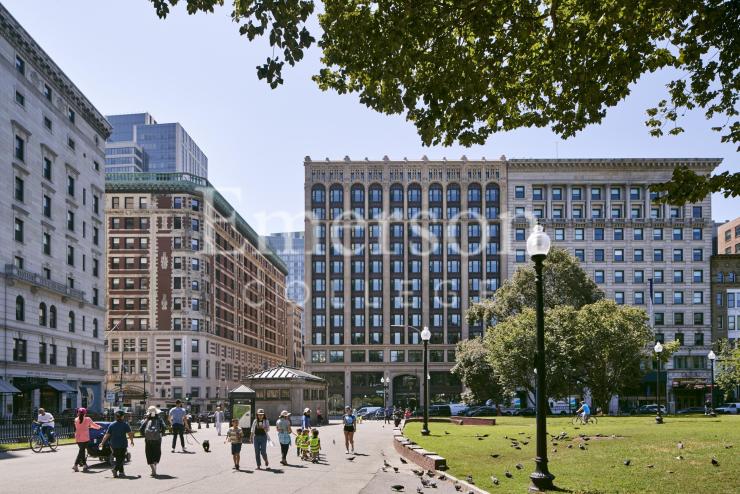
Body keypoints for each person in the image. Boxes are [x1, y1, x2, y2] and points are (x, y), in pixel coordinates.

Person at [100, 410, 134, 478]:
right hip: (122, 444)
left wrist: (102, 442)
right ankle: (115, 469)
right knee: (121, 458)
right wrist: (132, 441)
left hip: (113, 445)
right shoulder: (125, 424)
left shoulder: (112, 425)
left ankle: (121, 472)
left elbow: (107, 435)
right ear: (122, 416)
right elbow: (130, 434)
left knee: (118, 458)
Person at [140, 406, 166, 476]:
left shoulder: (147, 420)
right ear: (156, 412)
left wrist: (144, 435)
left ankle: (152, 469)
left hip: (148, 439)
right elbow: (164, 427)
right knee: (156, 453)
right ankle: (155, 468)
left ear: (149, 413)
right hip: (157, 439)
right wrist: (162, 434)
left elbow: (141, 428)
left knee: (149, 454)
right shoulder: (159, 419)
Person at [73, 407, 101, 472]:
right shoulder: (88, 419)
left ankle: (84, 465)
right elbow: (93, 425)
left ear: (78, 413)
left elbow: (82, 426)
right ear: (85, 413)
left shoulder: (76, 419)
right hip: (85, 437)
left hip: (78, 437)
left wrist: (89, 426)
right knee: (81, 451)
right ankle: (75, 465)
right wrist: (99, 427)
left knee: (82, 451)